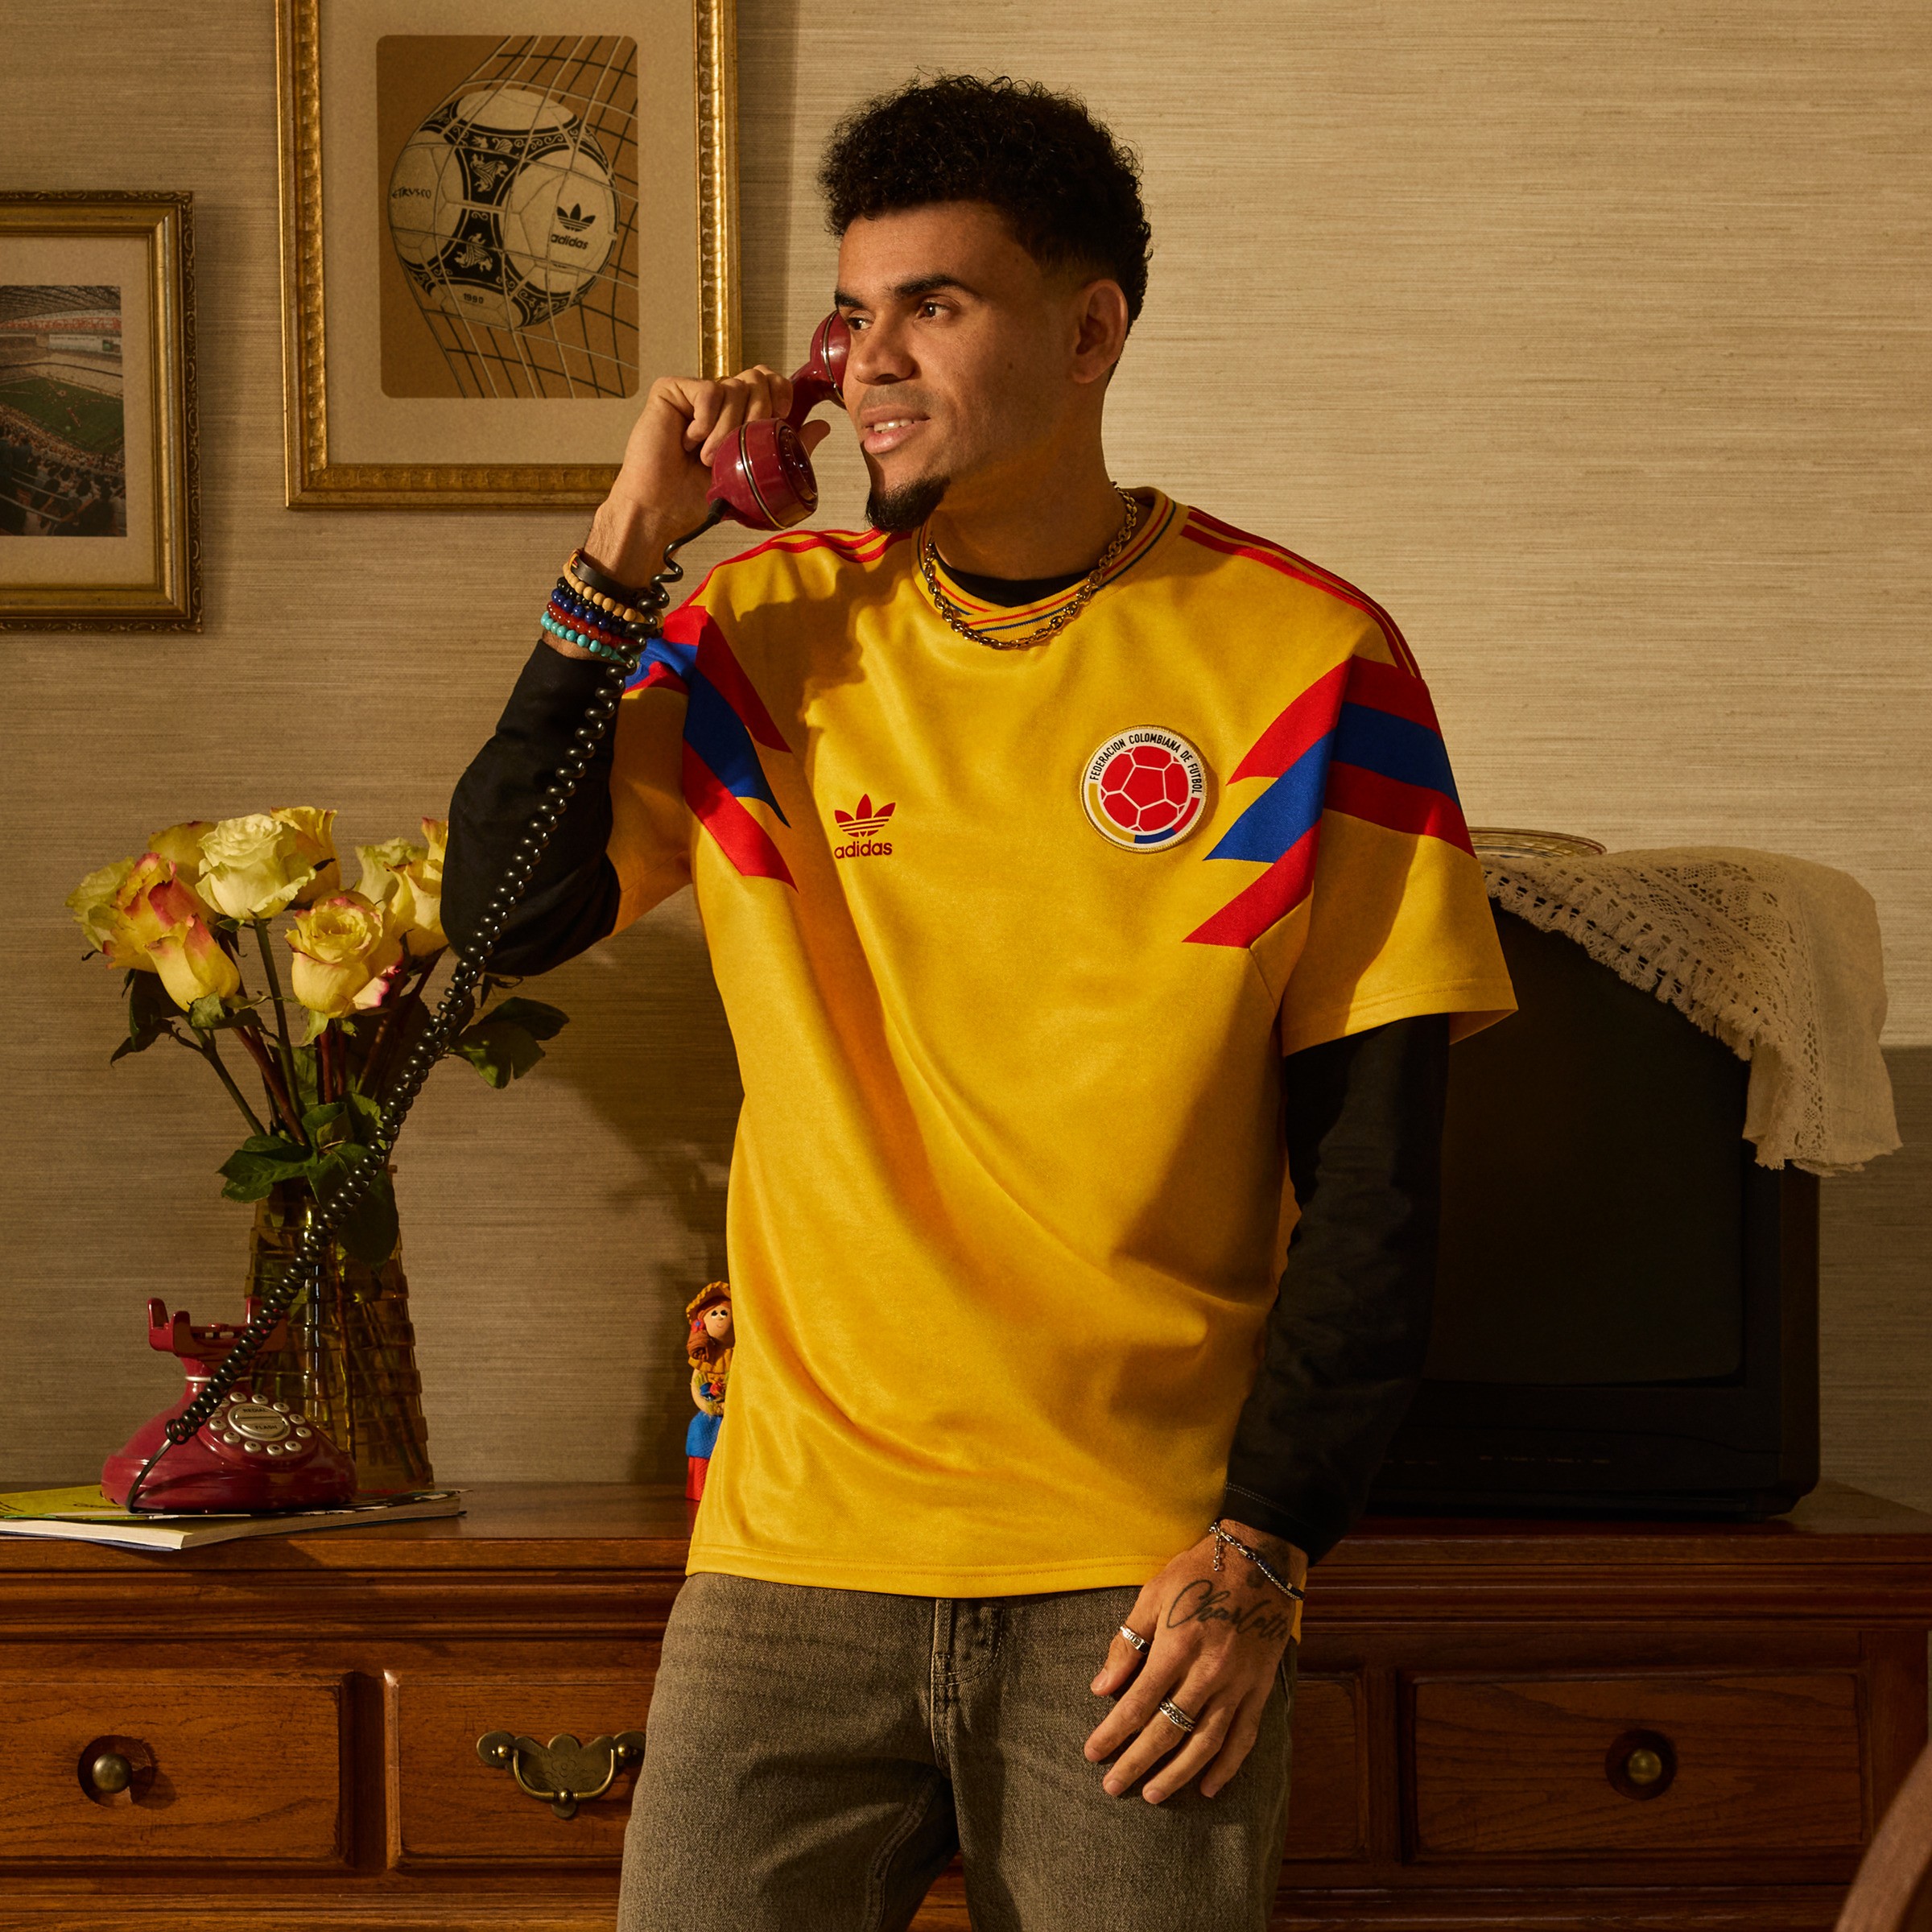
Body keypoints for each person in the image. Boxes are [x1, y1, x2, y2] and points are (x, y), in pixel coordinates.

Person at [446, 73, 1513, 1932]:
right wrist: (625, 551)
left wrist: (1264, 1551)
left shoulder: (1310, 660)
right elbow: (502, 916)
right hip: (788, 1561)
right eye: (853, 312)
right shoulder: (756, 633)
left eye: (936, 304)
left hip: (1139, 1581)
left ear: (1091, 331)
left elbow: (1382, 1182)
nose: (869, 361)